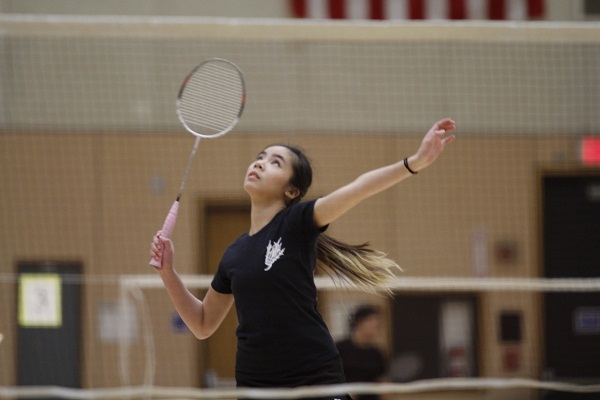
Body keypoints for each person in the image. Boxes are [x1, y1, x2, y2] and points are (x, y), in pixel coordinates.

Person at [150, 118, 456, 400]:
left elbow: (358, 188)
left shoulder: (297, 223)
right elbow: (203, 323)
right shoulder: (234, 253)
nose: (259, 163)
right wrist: (168, 273)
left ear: (292, 191)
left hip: (315, 380)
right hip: (257, 387)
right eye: (260, 157)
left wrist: (414, 163)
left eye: (274, 162)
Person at [336, 305, 388, 400]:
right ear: (359, 322)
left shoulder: (377, 353)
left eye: (377, 324)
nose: (375, 326)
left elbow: (382, 379)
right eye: (370, 321)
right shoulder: (340, 348)